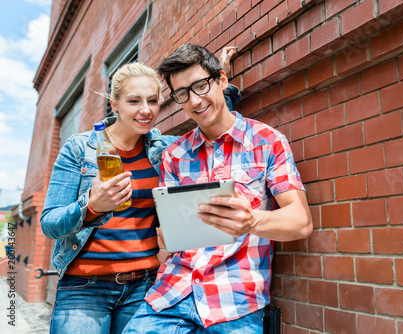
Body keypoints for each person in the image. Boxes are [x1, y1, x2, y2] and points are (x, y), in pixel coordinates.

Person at [40, 48, 239, 334]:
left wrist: (220, 84)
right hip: (84, 288)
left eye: (153, 101)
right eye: (134, 101)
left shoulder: (164, 149)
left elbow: (215, 123)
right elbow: (50, 223)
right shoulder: (79, 148)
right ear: (115, 105)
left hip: (143, 286)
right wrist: (92, 205)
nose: (145, 110)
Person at [123, 43, 313, 333]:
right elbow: (169, 235)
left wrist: (252, 220)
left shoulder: (266, 141)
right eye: (183, 94)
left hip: (234, 300)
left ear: (222, 80)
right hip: (173, 293)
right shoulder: (174, 154)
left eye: (200, 86)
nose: (195, 101)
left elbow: (301, 222)